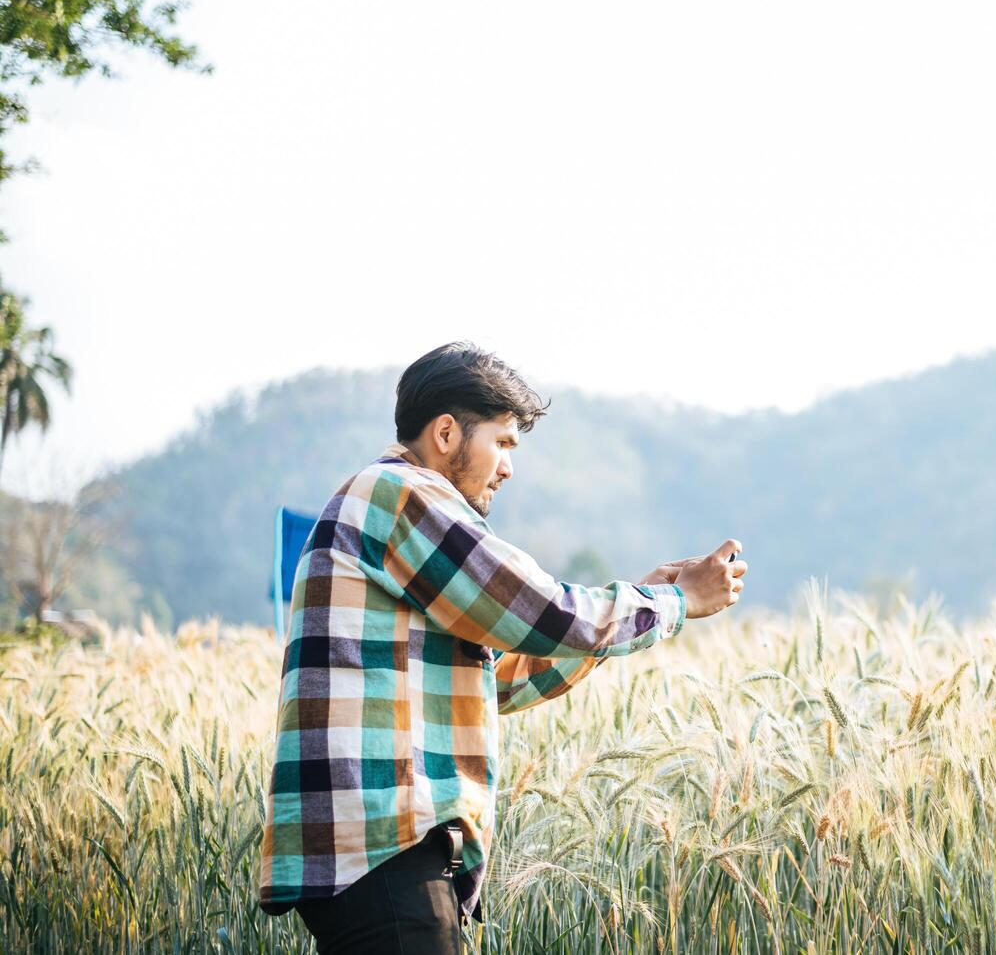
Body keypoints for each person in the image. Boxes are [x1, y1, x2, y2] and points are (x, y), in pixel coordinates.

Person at [257, 341, 746, 953]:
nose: (509, 467)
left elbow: (501, 673)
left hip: (379, 853)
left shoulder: (390, 509)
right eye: (503, 442)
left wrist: (645, 599)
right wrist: (675, 604)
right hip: (382, 847)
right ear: (444, 433)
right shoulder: (399, 494)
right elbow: (541, 611)